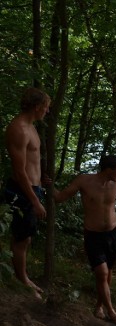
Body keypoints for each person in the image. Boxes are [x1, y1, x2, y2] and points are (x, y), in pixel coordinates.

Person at [53, 155, 116, 326]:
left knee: (108, 272)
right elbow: (60, 197)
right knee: (102, 273)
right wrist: (48, 186)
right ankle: (112, 312)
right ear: (108, 169)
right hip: (93, 235)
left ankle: (99, 307)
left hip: (113, 233)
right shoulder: (84, 181)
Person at [3, 87, 51, 300]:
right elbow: (19, 171)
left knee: (26, 237)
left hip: (34, 188)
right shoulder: (19, 129)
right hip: (23, 191)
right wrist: (35, 201)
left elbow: (32, 164)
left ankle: (22, 276)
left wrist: (41, 181)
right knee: (21, 238)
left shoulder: (32, 127)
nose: (47, 112)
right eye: (46, 107)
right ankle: (22, 280)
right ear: (37, 107)